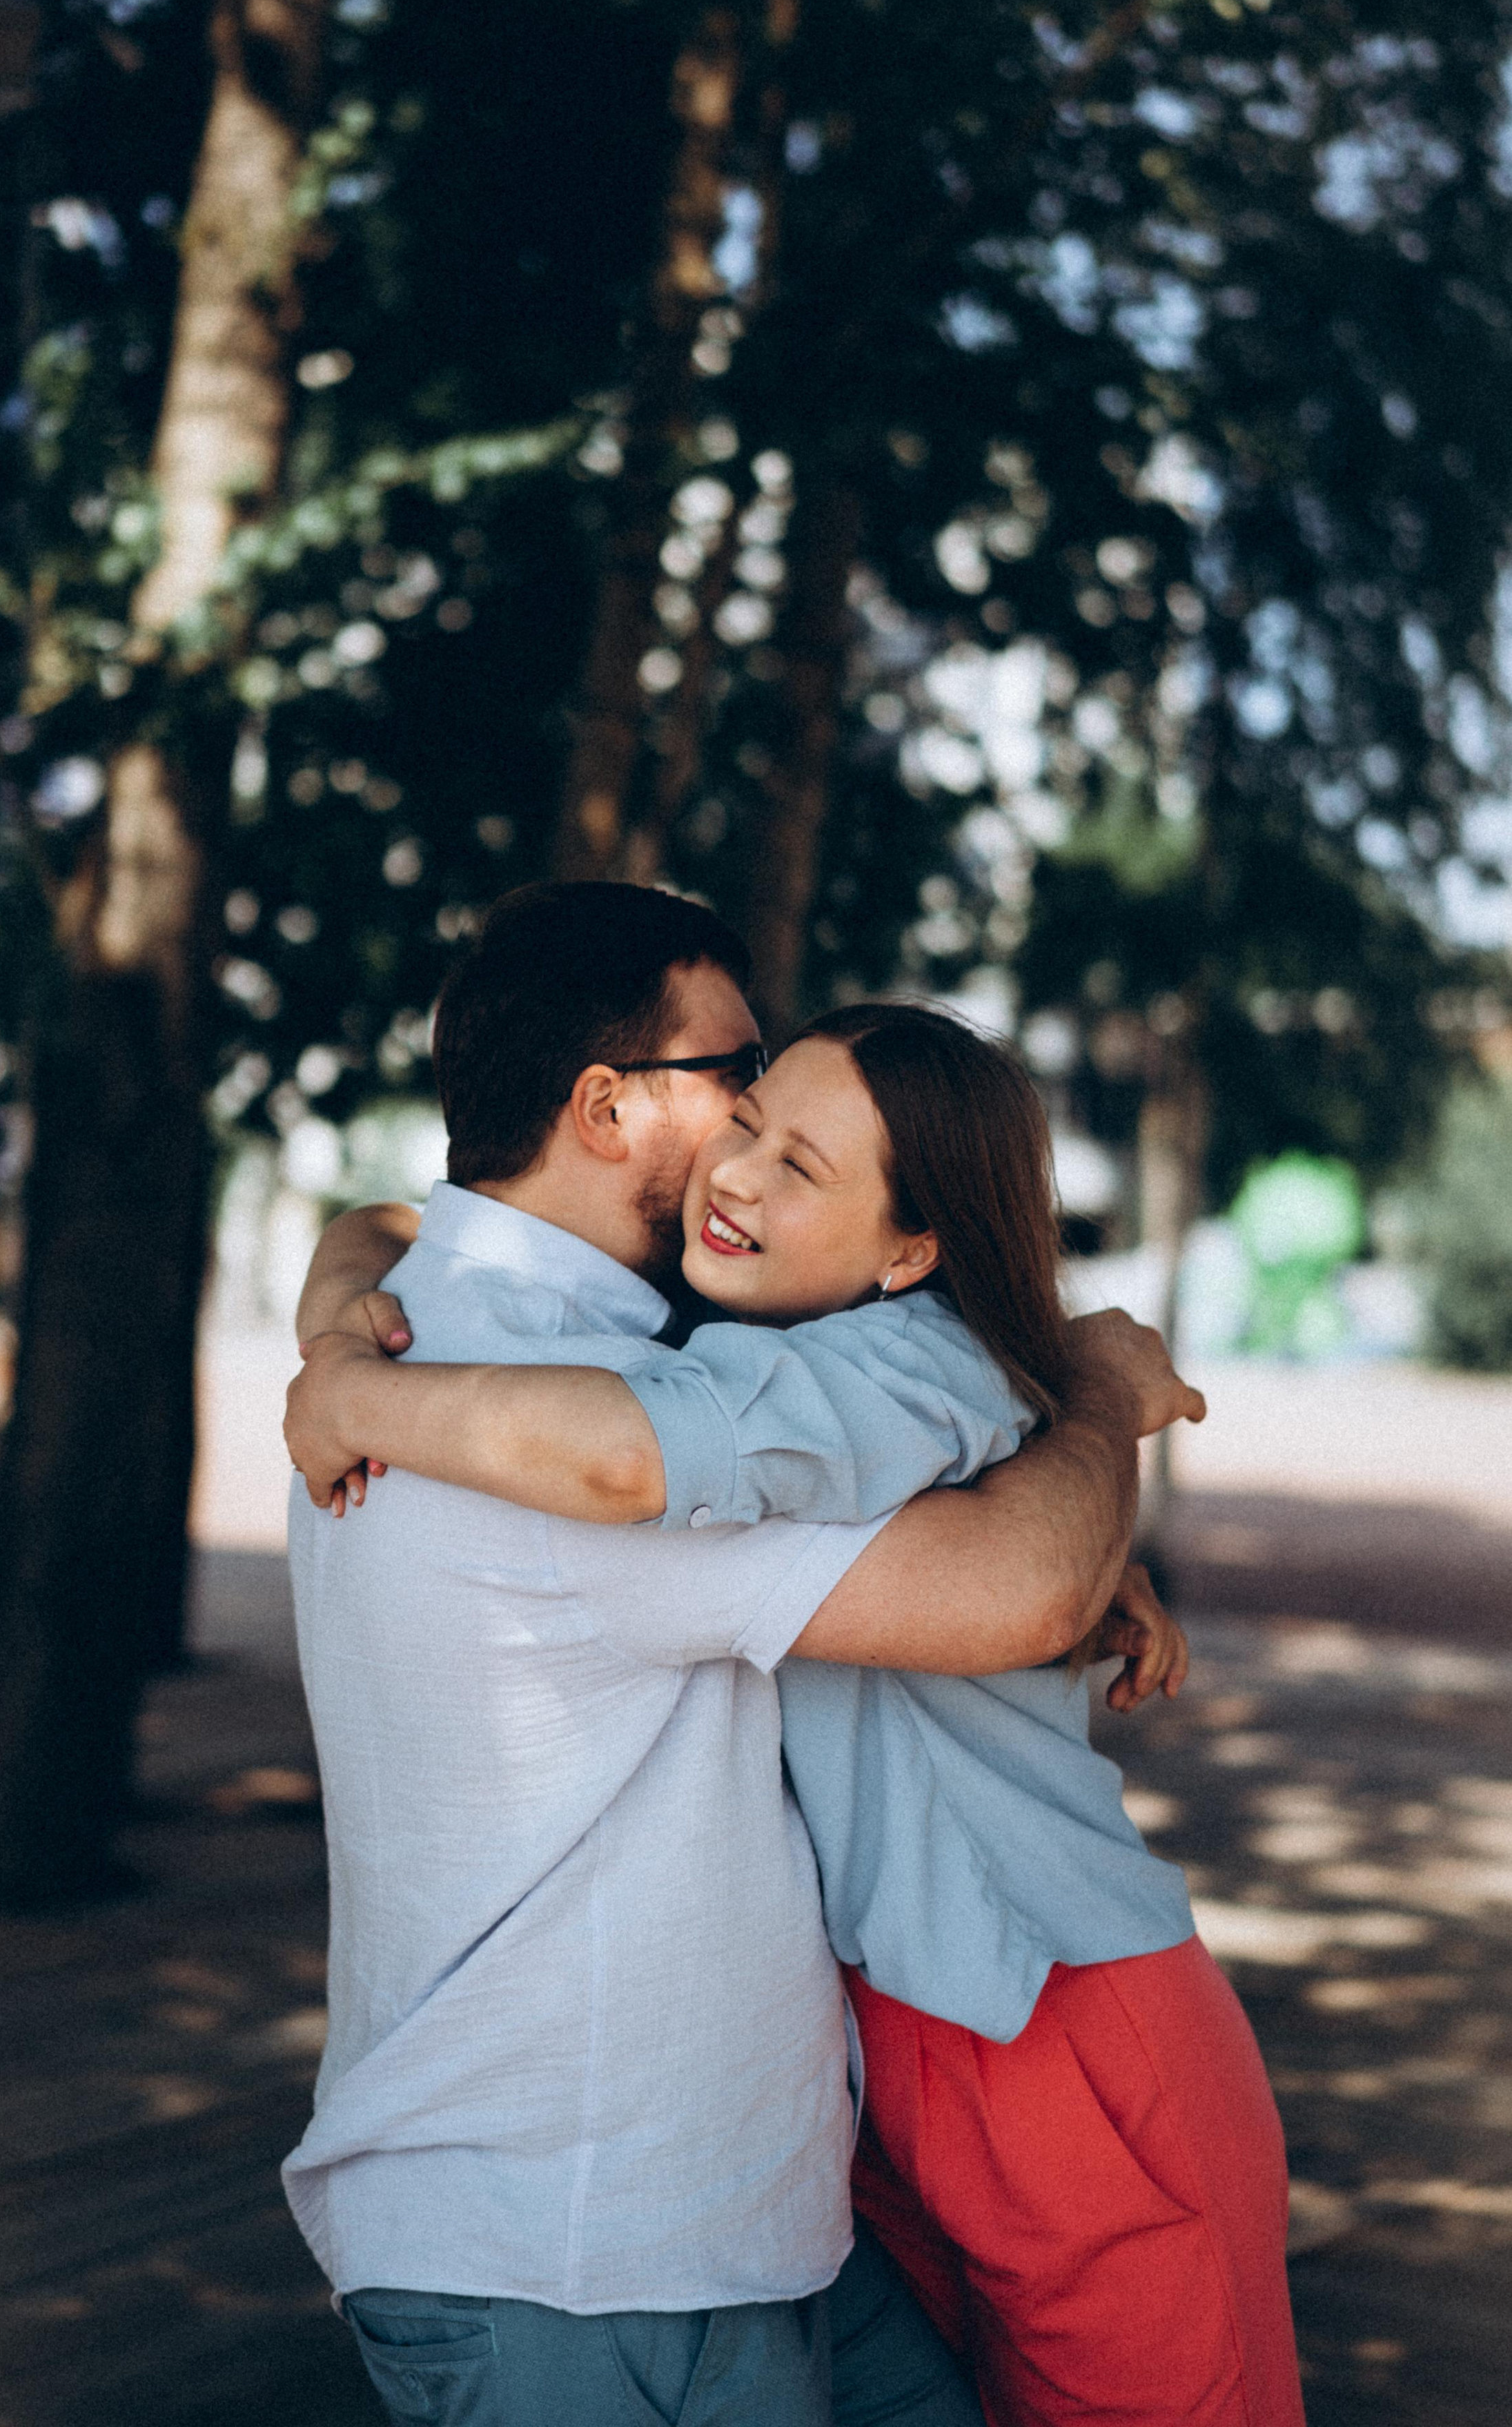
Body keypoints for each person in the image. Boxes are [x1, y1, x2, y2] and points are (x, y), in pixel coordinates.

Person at [291, 995, 1301, 2427]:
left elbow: (626, 1455)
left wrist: (351, 1395)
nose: (738, 1170)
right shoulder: (753, 1341)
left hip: (1058, 2020)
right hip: (883, 2063)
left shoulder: (904, 1364)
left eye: (800, 1165)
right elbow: (387, 1225)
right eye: (748, 1119)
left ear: (910, 1249)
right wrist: (338, 1301)